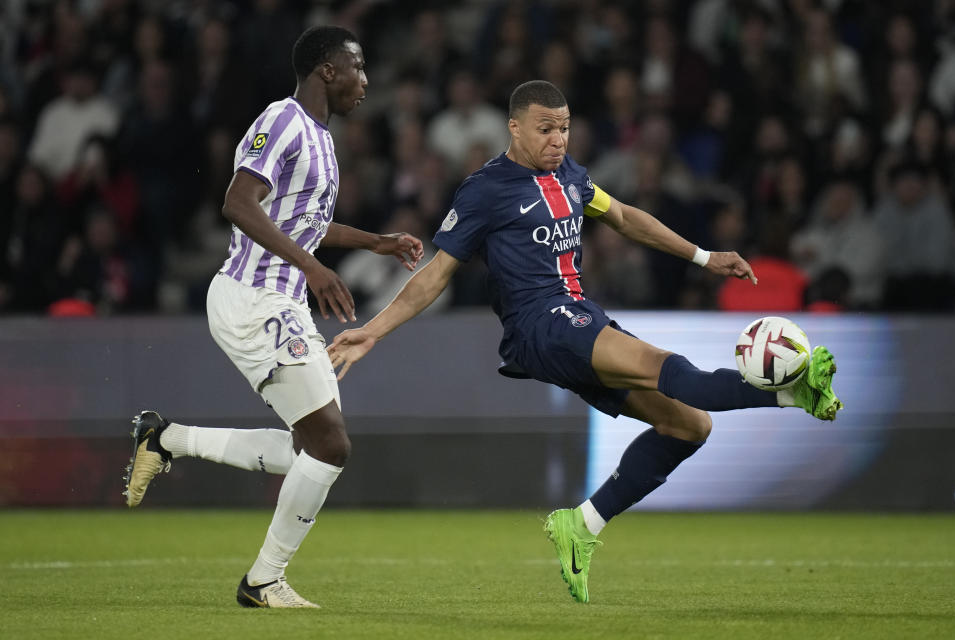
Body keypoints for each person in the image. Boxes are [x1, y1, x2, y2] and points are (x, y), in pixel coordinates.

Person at [327, 80, 842, 604]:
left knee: (688, 425)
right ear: (514, 127)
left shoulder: (571, 175)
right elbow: (436, 274)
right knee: (672, 369)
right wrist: (373, 330)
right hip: (541, 327)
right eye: (545, 129)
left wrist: (705, 258)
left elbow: (621, 216)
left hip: (577, 318)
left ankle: (583, 525)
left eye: (565, 128)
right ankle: (796, 391)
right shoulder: (486, 189)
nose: (558, 140)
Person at [122, 26, 424, 608]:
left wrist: (375, 242)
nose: (366, 80)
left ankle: (166, 438)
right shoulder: (282, 119)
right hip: (253, 297)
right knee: (331, 446)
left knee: (314, 449)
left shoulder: (323, 140)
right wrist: (313, 268)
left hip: (280, 300)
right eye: (357, 67)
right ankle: (262, 581)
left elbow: (305, 222)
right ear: (327, 70)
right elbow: (237, 203)